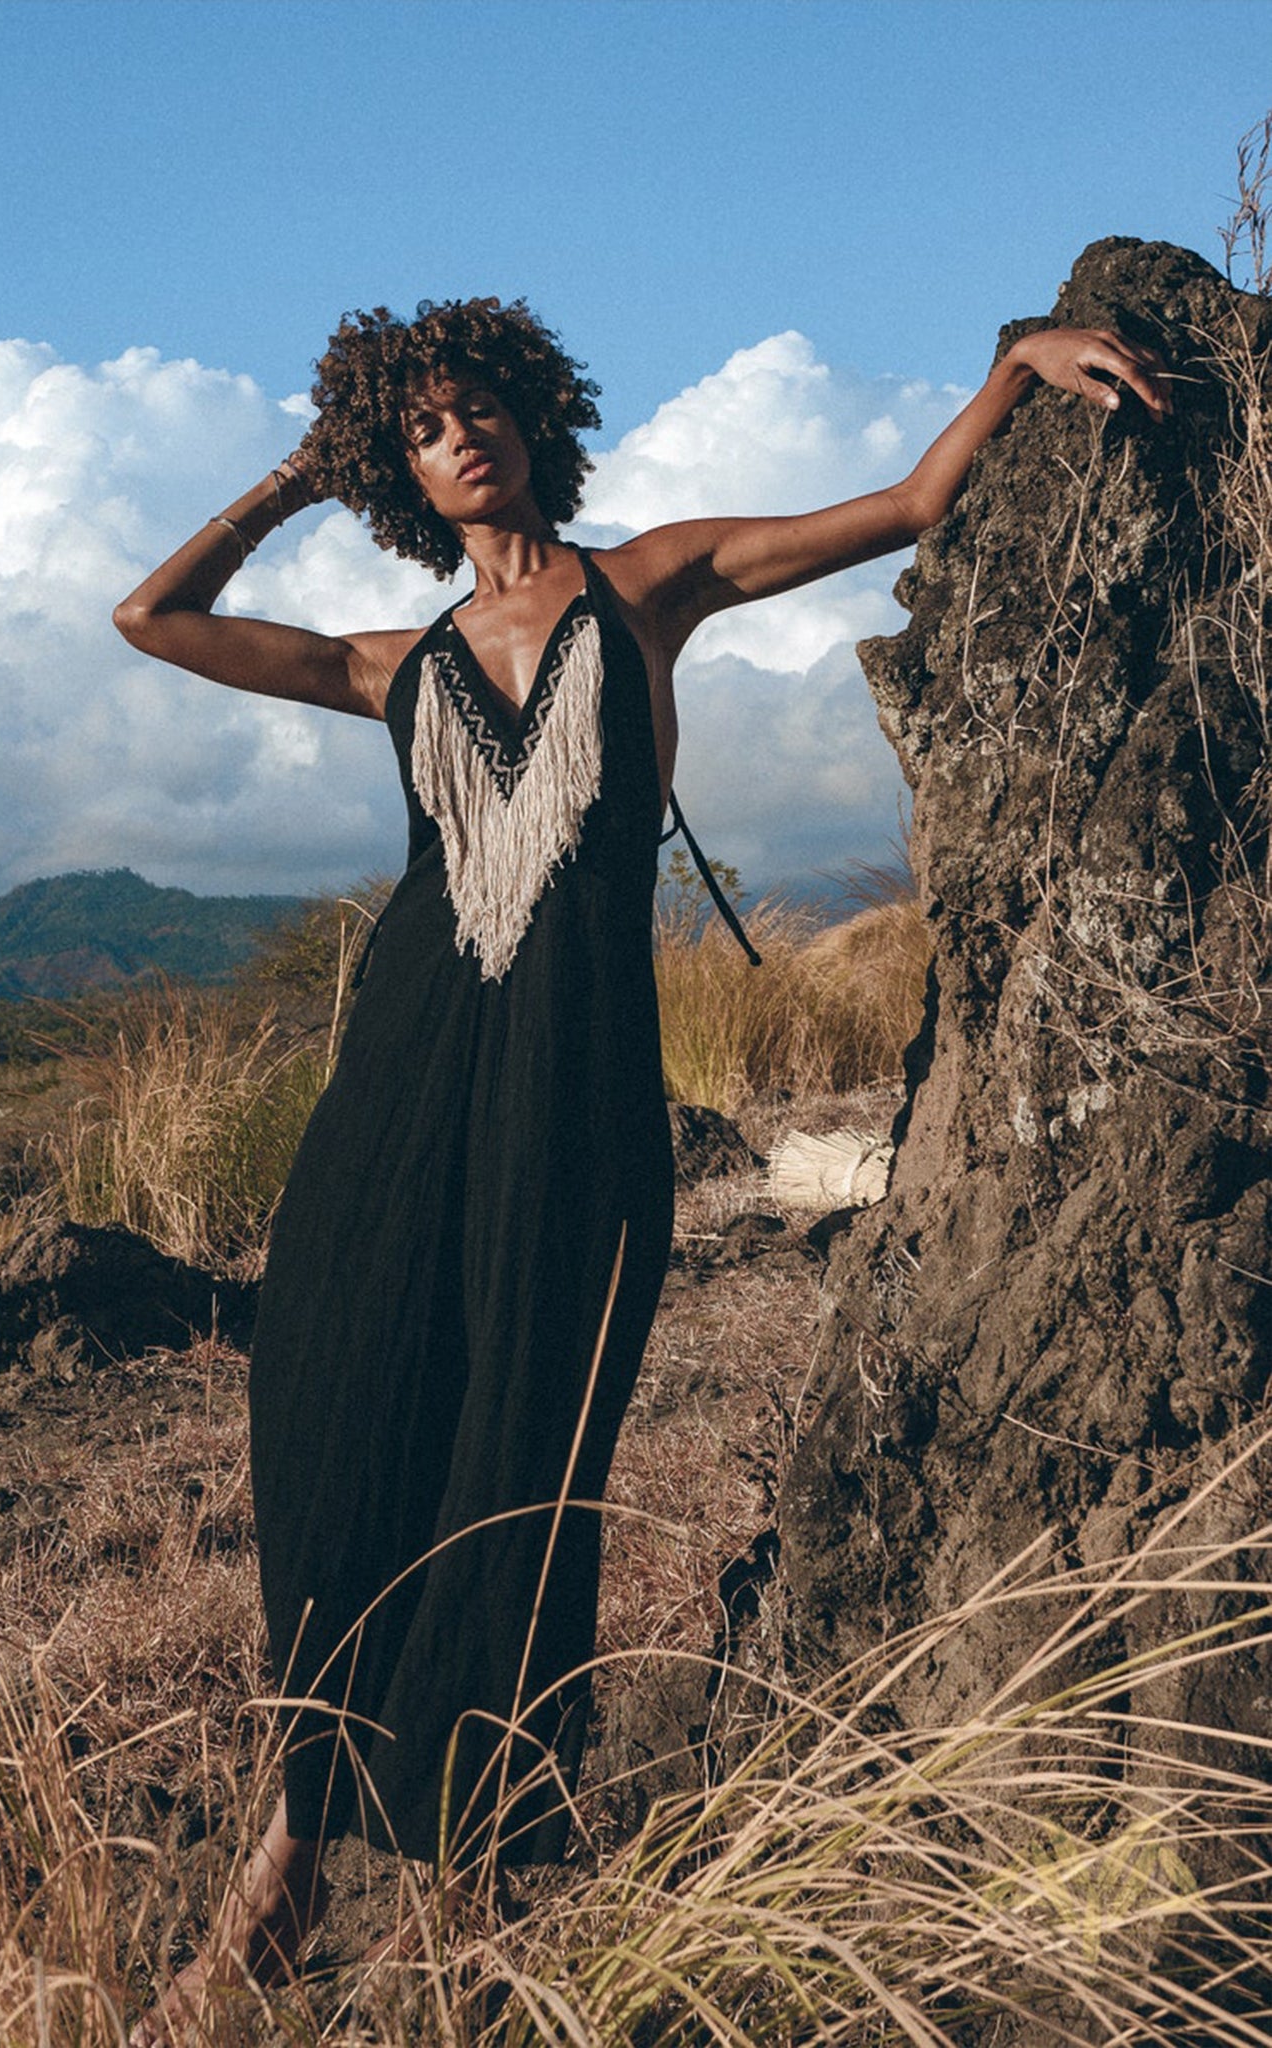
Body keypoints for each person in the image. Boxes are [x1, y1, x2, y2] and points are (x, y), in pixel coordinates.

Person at [114, 296, 1169, 2032]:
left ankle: (466, 1904)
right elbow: (152, 619)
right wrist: (296, 478)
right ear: (403, 467)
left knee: (526, 1442)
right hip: (396, 1095)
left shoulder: (646, 584)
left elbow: (901, 512)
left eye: (477, 409)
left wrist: (1003, 371)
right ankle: (289, 1869)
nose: (460, 440)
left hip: (576, 1097)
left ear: (531, 415)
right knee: (334, 1411)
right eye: (420, 427)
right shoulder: (390, 661)